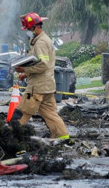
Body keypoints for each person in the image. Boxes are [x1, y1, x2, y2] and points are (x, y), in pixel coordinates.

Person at [12, 12, 70, 140]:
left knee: (23, 112)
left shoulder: (40, 43)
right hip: (47, 85)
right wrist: (25, 74)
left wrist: (25, 69)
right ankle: (63, 137)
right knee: (49, 113)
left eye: (28, 29)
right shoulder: (42, 40)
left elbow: (43, 65)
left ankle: (11, 137)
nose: (28, 32)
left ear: (36, 27)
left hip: (38, 87)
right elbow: (41, 63)